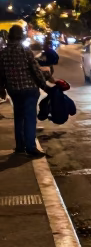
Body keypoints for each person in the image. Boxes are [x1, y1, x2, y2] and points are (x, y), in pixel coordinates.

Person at [0, 25, 52, 158]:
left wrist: (2, 89)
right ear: (21, 36)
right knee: (29, 118)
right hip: (29, 89)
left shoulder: (3, 53)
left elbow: (1, 73)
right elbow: (35, 71)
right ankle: (30, 148)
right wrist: (44, 85)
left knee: (19, 117)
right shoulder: (25, 50)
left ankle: (20, 146)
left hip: (13, 90)